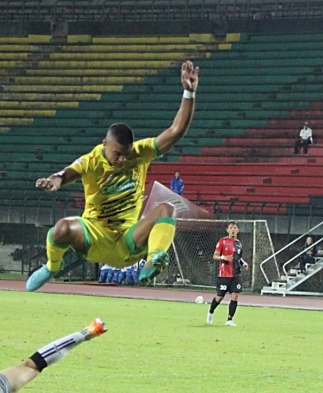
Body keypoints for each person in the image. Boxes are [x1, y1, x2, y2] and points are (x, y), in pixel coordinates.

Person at [26, 60, 199, 292]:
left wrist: (189, 92)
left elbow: (175, 131)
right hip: (94, 235)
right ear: (104, 144)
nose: (122, 160)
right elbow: (65, 174)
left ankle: (153, 261)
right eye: (117, 154)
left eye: (126, 155)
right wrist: (53, 181)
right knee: (61, 228)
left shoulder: (140, 152)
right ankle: (51, 266)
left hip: (128, 240)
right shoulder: (92, 160)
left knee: (167, 208)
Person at [206, 222, 249, 327]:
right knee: (219, 297)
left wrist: (244, 263)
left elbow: (238, 258)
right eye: (231, 228)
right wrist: (223, 258)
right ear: (228, 230)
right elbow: (215, 256)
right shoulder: (222, 241)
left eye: (235, 228)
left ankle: (229, 319)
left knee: (235, 296)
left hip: (236, 274)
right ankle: (211, 312)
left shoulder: (239, 243)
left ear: (238, 230)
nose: (233, 230)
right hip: (224, 274)